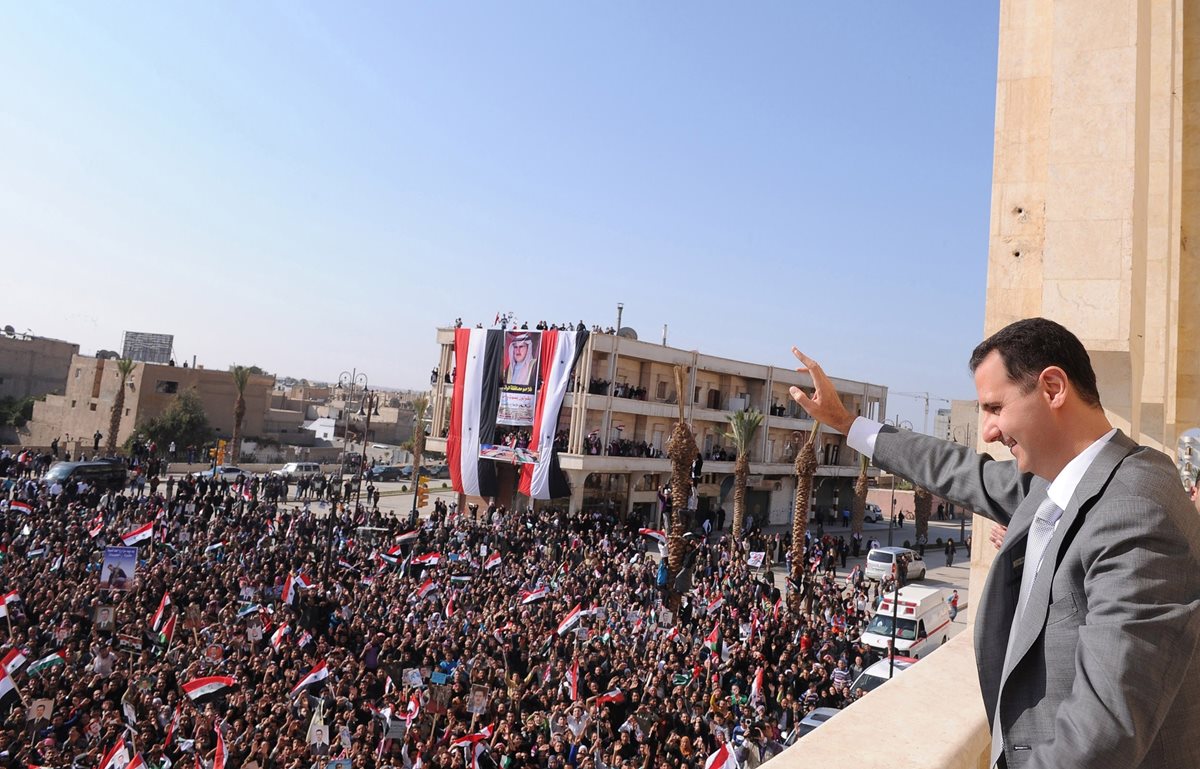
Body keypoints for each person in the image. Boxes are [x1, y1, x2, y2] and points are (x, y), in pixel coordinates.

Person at [789, 317, 1200, 769]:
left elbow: (1101, 735)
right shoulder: (1052, 482)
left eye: (995, 407)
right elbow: (955, 469)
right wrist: (848, 424)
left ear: (1053, 388)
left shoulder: (1137, 509)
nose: (987, 431)